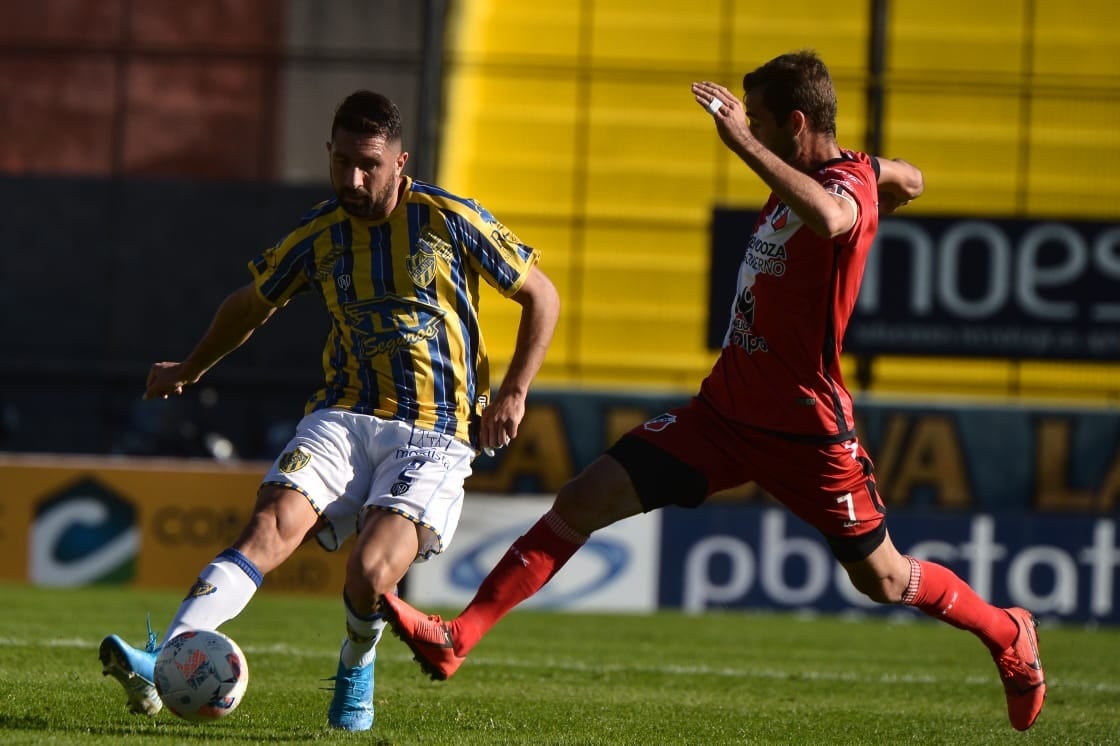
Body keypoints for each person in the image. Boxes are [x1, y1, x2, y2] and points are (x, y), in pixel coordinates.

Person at [380, 51, 1046, 732]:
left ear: (792, 125)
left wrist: (748, 144)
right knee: (582, 499)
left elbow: (835, 219)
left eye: (758, 120)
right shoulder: (839, 173)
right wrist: (895, 172)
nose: (745, 127)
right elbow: (907, 178)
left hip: (806, 432)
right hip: (723, 414)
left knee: (882, 579)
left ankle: (1007, 635)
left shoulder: (836, 191)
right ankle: (457, 639)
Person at [98, 90, 560, 732]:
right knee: (267, 529)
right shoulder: (321, 233)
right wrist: (189, 368)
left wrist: (514, 389)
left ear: (402, 161)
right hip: (342, 416)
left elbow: (542, 294)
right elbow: (250, 304)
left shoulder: (448, 219)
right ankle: (165, 659)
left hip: (434, 432)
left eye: (368, 164)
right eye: (341, 161)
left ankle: (355, 665)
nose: (352, 178)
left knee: (370, 571)